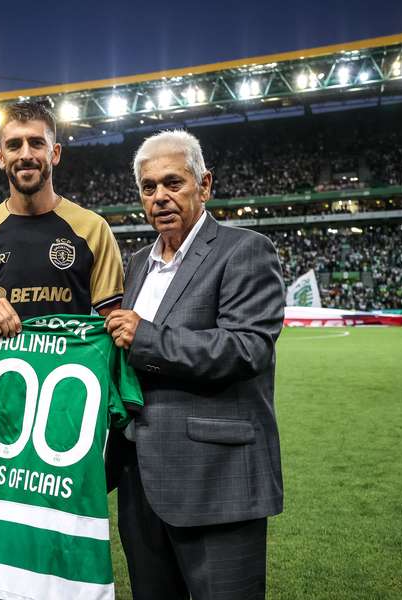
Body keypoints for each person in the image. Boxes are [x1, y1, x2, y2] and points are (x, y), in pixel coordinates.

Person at [105, 130, 285, 600]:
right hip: (140, 482)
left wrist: (144, 337)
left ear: (204, 185)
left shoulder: (244, 249)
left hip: (215, 480)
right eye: (148, 187)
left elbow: (247, 348)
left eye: (173, 183)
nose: (160, 196)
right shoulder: (139, 262)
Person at [0, 101, 124, 331]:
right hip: (3, 367)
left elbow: (116, 327)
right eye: (14, 145)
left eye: (37, 143)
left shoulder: (93, 228)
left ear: (55, 153)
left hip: (69, 366)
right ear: (1, 157)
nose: (26, 154)